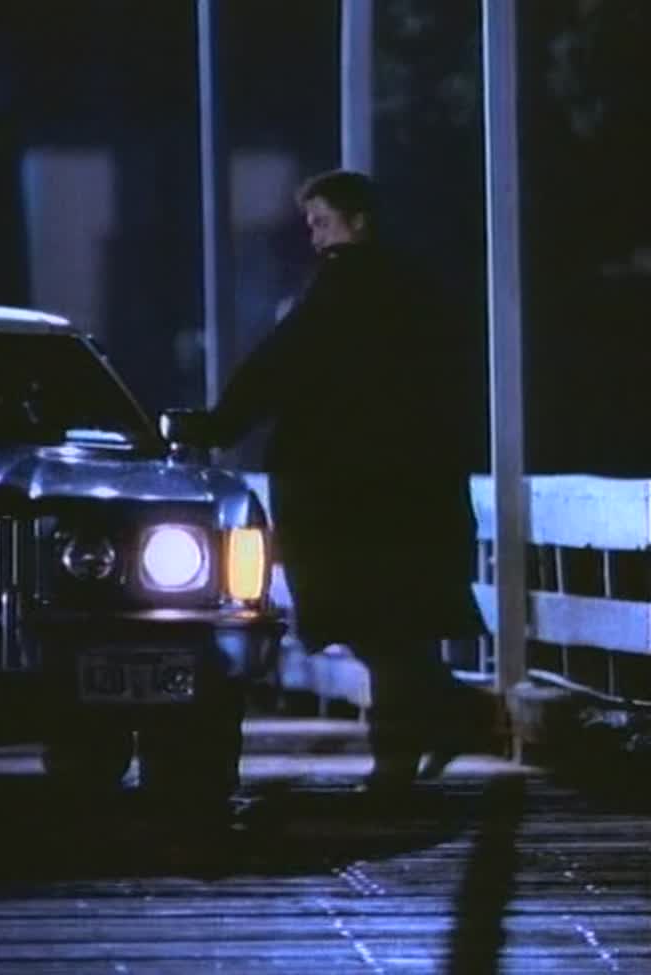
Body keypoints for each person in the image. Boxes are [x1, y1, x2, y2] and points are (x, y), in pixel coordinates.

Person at [206, 169, 488, 794]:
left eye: (322, 222)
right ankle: (439, 726)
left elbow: (279, 364)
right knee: (398, 631)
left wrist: (220, 425)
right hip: (414, 490)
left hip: (347, 496)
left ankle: (411, 750)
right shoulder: (415, 290)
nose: (315, 236)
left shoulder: (342, 289)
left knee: (375, 627)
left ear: (358, 222)